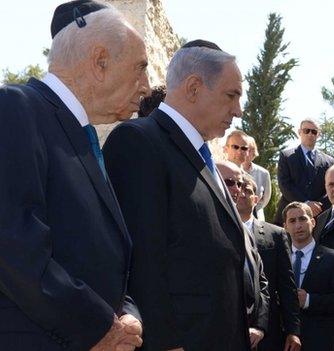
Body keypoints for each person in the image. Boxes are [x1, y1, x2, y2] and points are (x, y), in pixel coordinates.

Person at [0, 1, 148, 350]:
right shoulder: (15, 108)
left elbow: (111, 259)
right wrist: (99, 327)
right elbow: (13, 244)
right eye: (140, 68)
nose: (146, 85)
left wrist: (128, 316)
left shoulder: (83, 137)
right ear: (100, 62)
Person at [103, 40, 252, 350]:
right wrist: (164, 342)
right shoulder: (139, 142)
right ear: (194, 87)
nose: (238, 110)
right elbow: (140, 259)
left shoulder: (202, 156)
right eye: (231, 95)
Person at [237, 174, 302, 351]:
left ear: (256, 199)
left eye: (247, 190)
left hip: (268, 331)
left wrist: (293, 330)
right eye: (238, 188)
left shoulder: (276, 234)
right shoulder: (216, 230)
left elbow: (286, 286)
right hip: (229, 328)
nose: (242, 193)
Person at [216, 161, 271, 350]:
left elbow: (261, 283)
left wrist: (260, 326)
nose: (236, 189)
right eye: (229, 182)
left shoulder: (245, 231)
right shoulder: (201, 225)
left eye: (239, 184)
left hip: (248, 337)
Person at [283, 202, 334, 351]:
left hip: (320, 340)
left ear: (313, 222)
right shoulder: (279, 259)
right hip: (283, 341)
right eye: (292, 221)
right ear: (285, 227)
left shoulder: (333, 258)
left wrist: (308, 300)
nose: (298, 225)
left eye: (303, 219)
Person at [275, 119, 334, 224]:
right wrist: (305, 203)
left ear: (318, 134)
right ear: (299, 132)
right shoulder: (287, 156)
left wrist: (317, 206)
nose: (310, 134)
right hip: (290, 215)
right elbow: (284, 184)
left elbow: (329, 186)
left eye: (314, 131)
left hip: (319, 216)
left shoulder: (328, 161)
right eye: (306, 131)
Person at [242, 136, 272, 222]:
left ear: (254, 152)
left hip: (257, 216)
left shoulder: (263, 173)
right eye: (245, 149)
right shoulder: (231, 170)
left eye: (250, 150)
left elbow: (266, 198)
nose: (247, 153)